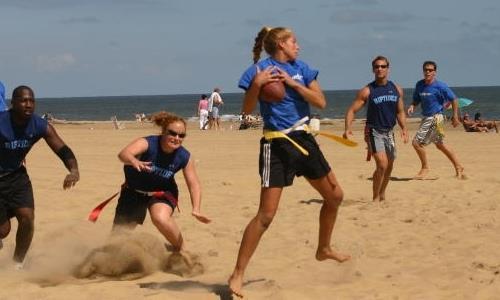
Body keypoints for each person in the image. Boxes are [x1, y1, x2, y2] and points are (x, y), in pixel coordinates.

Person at [228, 26, 350, 298]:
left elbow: (320, 102)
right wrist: (258, 85)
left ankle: (324, 248)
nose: (298, 46)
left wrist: (295, 84)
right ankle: (237, 273)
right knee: (266, 215)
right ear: (281, 44)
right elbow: (246, 112)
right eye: (294, 42)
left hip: (304, 140)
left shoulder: (303, 68)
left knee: (335, 197)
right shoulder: (257, 71)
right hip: (277, 144)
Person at [0, 85, 79, 268]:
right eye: (23, 100)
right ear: (13, 103)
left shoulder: (39, 125)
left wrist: (73, 170)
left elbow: (62, 148)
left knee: (27, 217)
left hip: (17, 176)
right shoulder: (2, 122)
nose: (28, 104)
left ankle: (17, 263)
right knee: (3, 231)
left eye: (32, 101)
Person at [112, 111, 211, 255]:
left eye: (181, 135)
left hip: (162, 192)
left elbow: (193, 183)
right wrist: (134, 161)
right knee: (116, 241)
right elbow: (123, 154)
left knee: (160, 218)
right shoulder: (147, 143)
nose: (176, 138)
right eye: (172, 133)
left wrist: (196, 208)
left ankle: (182, 249)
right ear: (163, 131)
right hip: (133, 191)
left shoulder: (184, 156)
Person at [344, 55, 408, 202]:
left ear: (388, 69)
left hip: (389, 132)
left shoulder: (396, 89)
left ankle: (382, 193)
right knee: (382, 164)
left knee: (389, 167)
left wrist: (404, 128)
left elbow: (400, 111)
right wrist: (347, 128)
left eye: (383, 66)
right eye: (377, 67)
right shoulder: (367, 91)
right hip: (373, 131)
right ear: (373, 70)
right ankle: (375, 198)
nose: (380, 69)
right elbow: (351, 111)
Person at [407, 61, 465, 179]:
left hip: (436, 117)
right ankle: (458, 166)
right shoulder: (419, 85)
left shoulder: (440, 86)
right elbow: (417, 99)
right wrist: (413, 105)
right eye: (426, 70)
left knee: (416, 143)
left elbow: (454, 99)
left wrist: (455, 116)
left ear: (435, 72)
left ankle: (425, 168)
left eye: (430, 70)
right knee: (440, 145)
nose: (428, 72)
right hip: (426, 117)